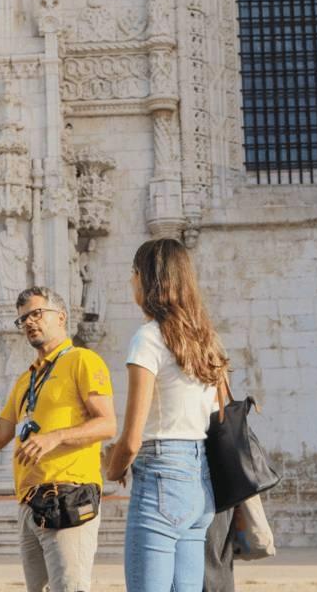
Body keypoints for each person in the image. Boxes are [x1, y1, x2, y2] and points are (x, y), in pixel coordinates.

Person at [0, 286, 116, 592]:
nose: (29, 322)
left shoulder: (83, 360)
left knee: (69, 588)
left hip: (68, 495)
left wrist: (55, 437)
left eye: (36, 313)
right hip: (31, 504)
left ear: (61, 317)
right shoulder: (26, 379)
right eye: (23, 319)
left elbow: (107, 424)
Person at [106, 238, 227, 591]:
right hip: (198, 480)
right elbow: (217, 414)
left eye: (134, 273)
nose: (131, 281)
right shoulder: (206, 341)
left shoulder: (148, 338)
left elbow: (132, 436)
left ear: (147, 279)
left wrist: (113, 469)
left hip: (161, 475)